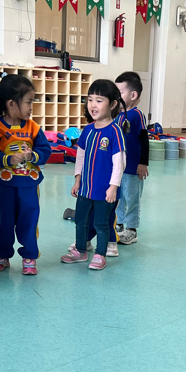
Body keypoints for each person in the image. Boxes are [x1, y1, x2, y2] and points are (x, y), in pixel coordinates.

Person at [0, 73, 51, 277]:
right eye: (28, 102)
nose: (31, 107)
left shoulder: (33, 128)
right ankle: (2, 255)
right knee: (4, 222)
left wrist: (33, 156)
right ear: (11, 104)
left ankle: (29, 256)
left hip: (29, 185)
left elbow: (46, 150)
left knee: (29, 221)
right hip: (3, 185)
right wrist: (8, 159)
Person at [61, 79, 125, 272]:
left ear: (112, 104)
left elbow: (119, 162)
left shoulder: (115, 132)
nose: (93, 105)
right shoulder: (87, 130)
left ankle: (100, 254)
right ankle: (81, 250)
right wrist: (77, 179)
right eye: (90, 100)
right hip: (85, 189)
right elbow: (80, 157)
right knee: (80, 221)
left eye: (99, 100)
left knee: (101, 224)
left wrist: (113, 187)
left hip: (105, 191)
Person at [115, 71, 149, 246]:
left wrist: (143, 163)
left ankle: (132, 229)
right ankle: (119, 224)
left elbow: (144, 139)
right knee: (118, 197)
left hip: (133, 168)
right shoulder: (116, 115)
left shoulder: (137, 115)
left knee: (131, 198)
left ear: (133, 95)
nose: (116, 96)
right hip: (118, 168)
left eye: (120, 92)